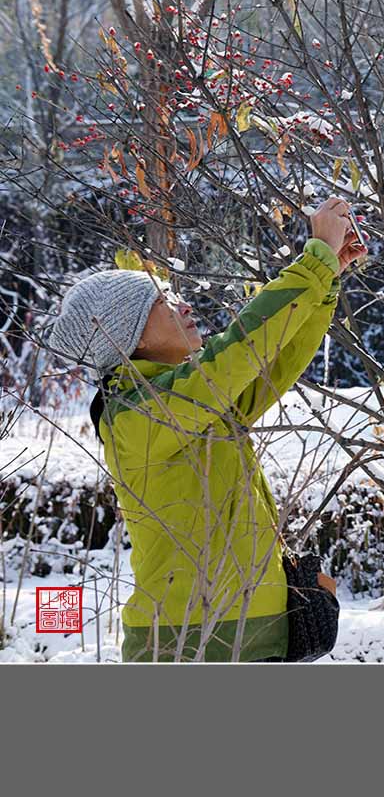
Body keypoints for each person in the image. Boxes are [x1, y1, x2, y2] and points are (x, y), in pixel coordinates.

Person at [46, 198, 366, 662]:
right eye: (162, 300)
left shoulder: (195, 401)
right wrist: (313, 258)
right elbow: (241, 348)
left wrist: (325, 283)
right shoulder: (139, 416)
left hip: (255, 639)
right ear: (127, 334)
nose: (184, 302)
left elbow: (272, 360)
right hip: (189, 645)